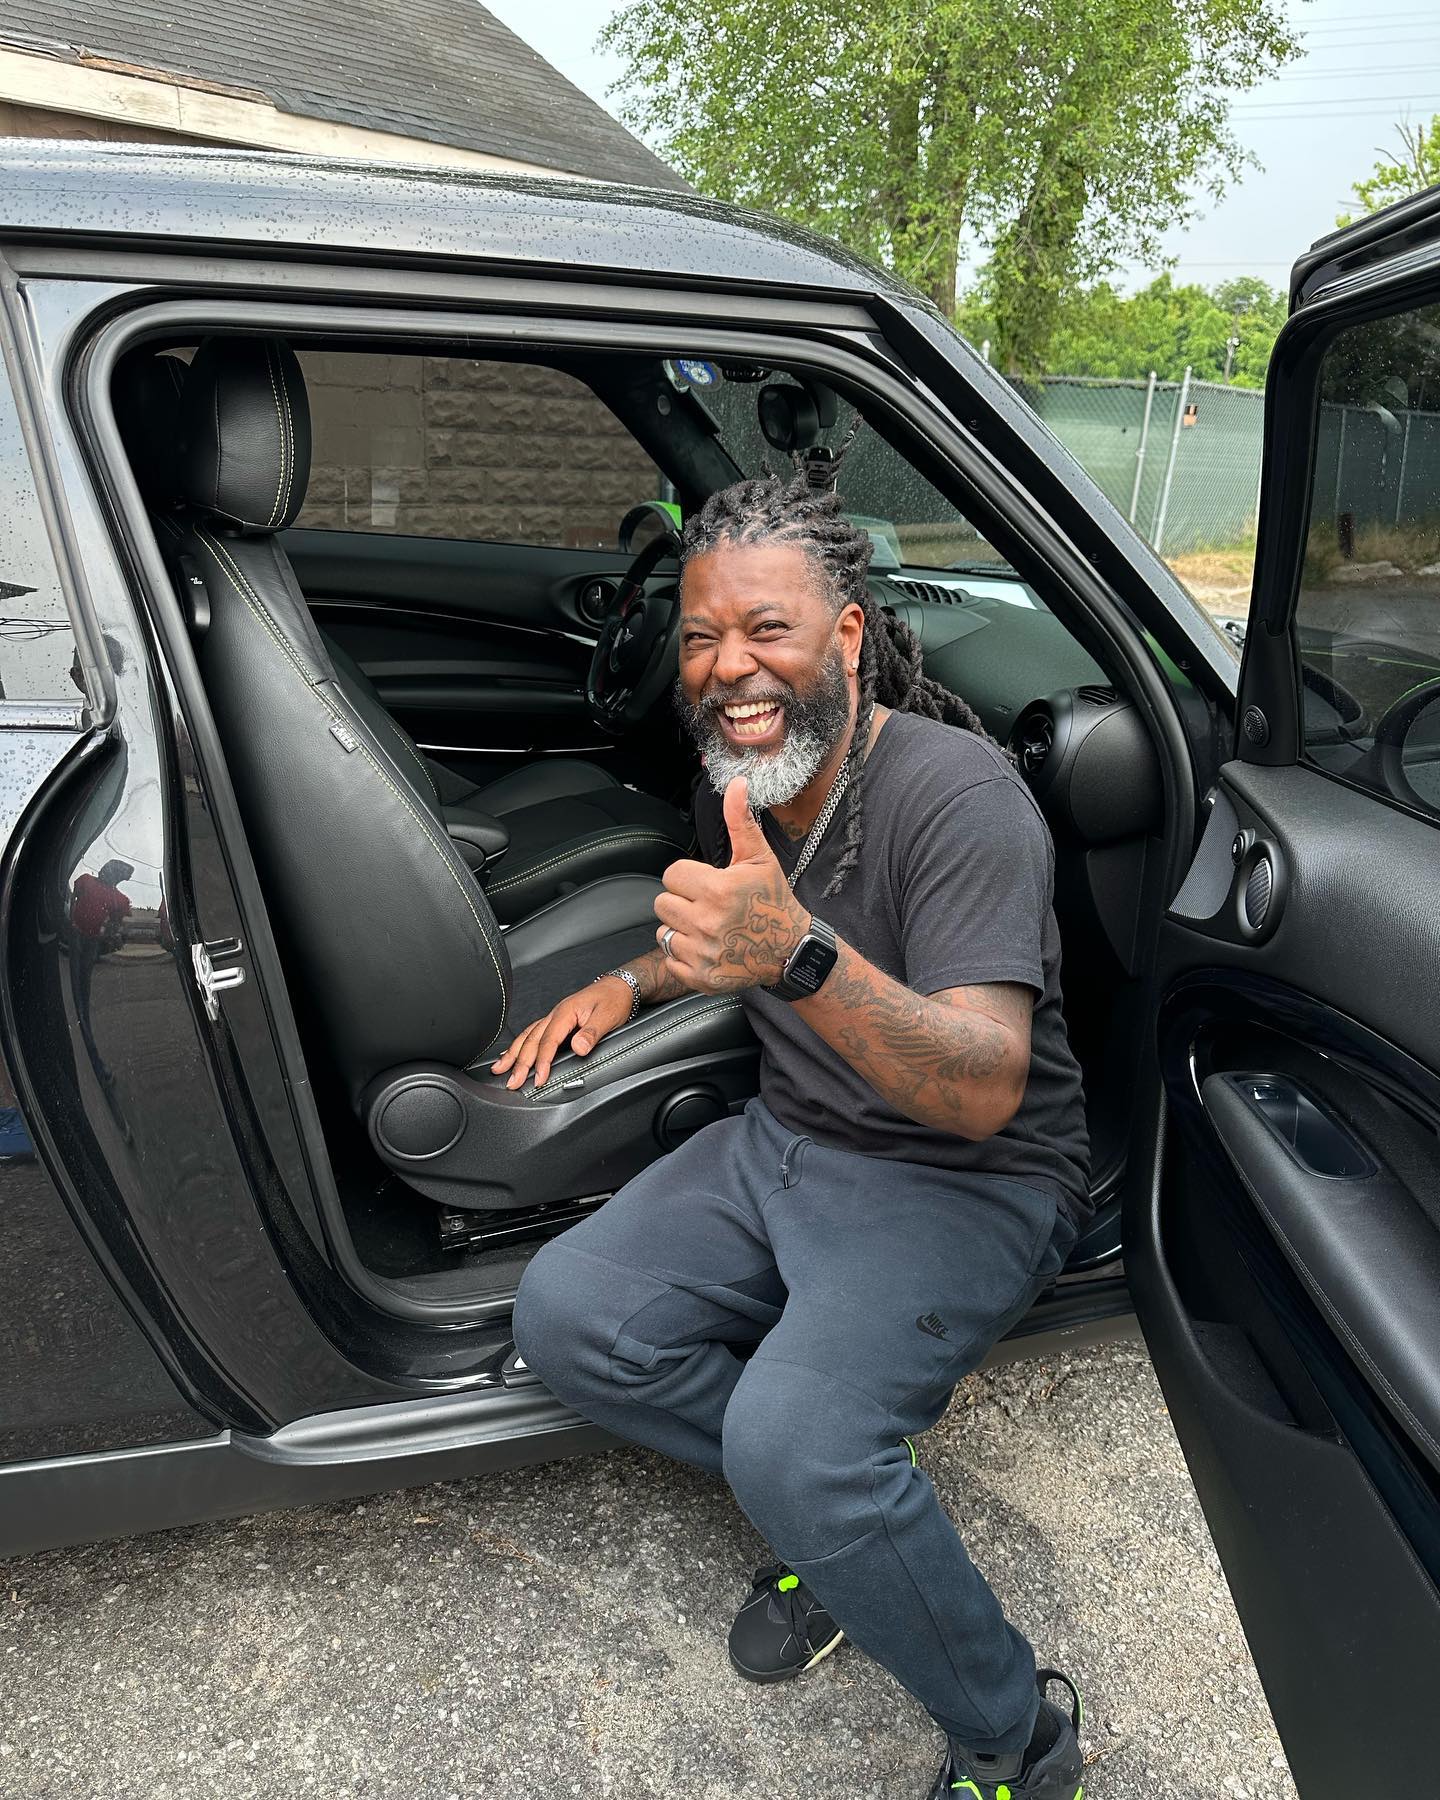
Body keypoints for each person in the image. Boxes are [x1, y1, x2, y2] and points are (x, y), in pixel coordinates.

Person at [502, 470, 1091, 1800]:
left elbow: (987, 1081)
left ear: (845, 635)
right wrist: (630, 981)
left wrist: (802, 958)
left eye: (765, 630)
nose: (727, 669)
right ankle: (832, 1534)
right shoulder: (754, 782)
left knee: (797, 1439)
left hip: (967, 1177)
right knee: (570, 1318)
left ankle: (1016, 1734)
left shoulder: (958, 796)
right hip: (795, 1137)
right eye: (702, 638)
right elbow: (727, 933)